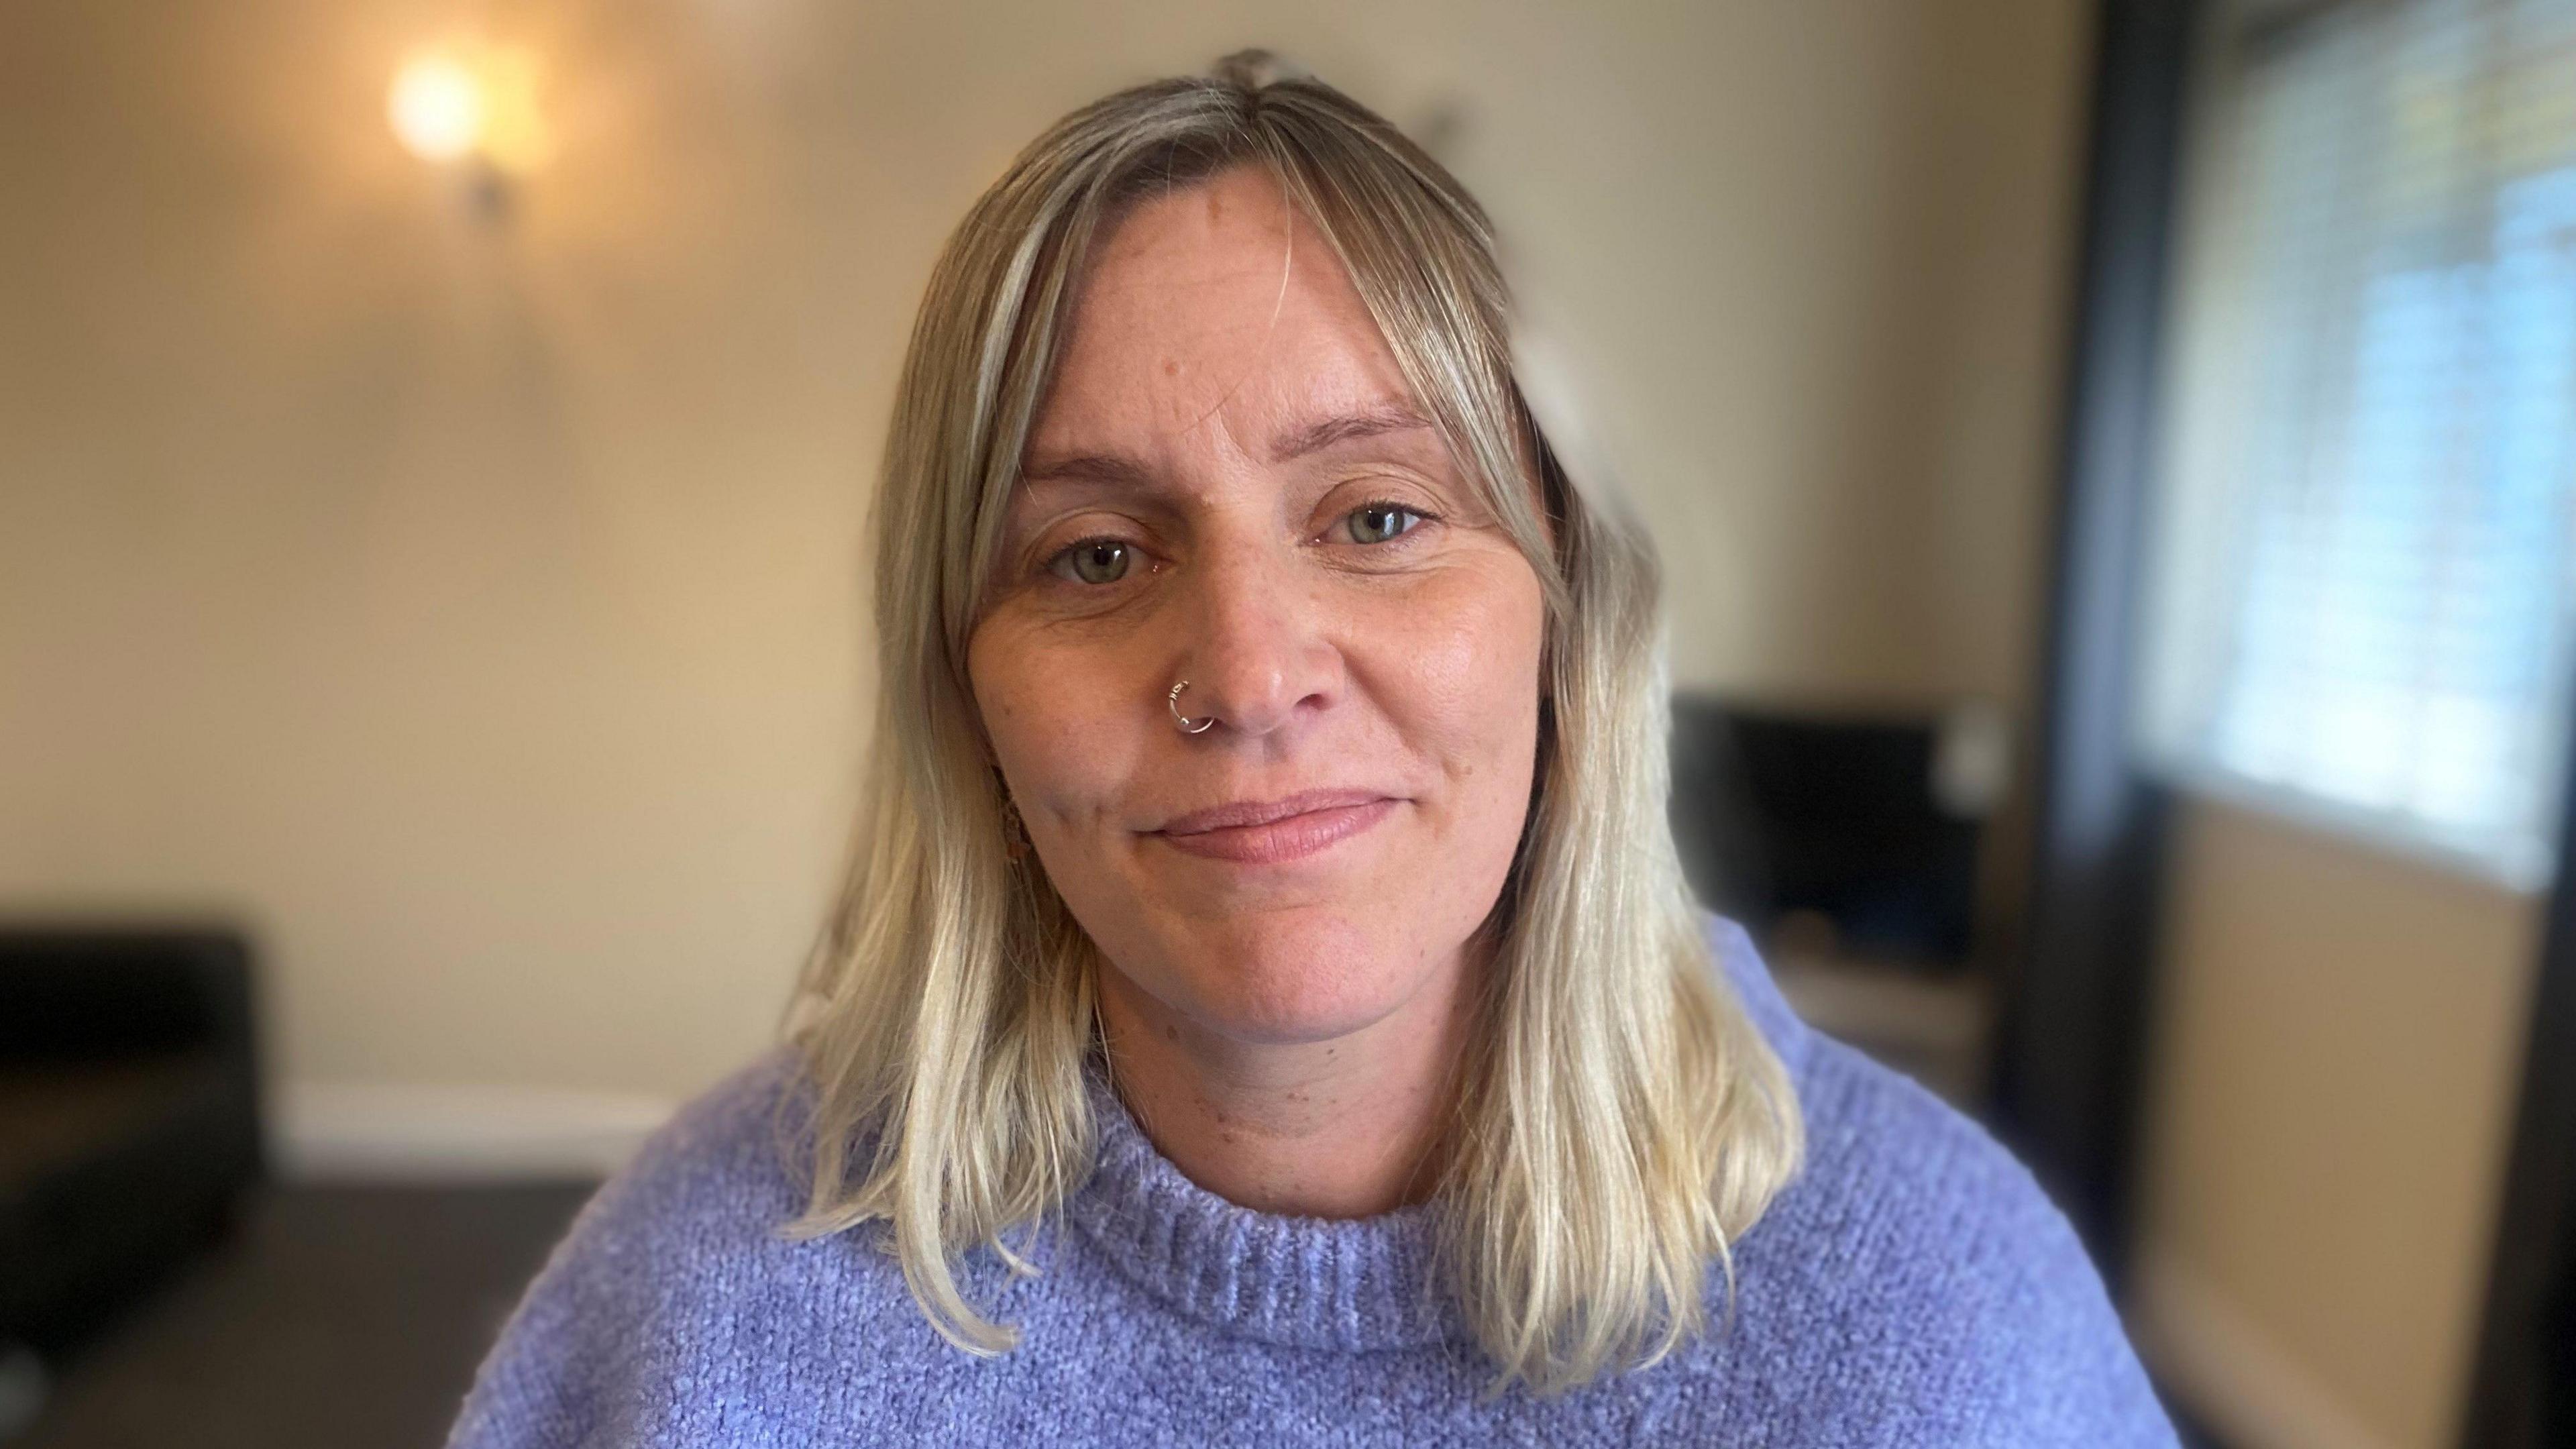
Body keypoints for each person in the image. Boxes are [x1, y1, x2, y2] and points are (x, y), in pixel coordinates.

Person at [447, 53, 2176, 1447]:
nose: (1251, 674)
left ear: (1569, 626)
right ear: (965, 697)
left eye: (1378, 516)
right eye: (1097, 556)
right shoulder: (702, 1305)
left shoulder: (1939, 1322)